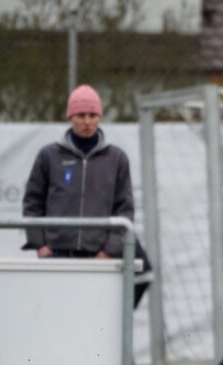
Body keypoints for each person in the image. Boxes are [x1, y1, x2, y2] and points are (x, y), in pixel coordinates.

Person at [22, 84, 151, 308]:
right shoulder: (48, 156)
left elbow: (125, 209)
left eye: (93, 115)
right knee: (59, 314)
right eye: (81, 115)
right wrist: (40, 245)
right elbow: (33, 203)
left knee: (96, 314)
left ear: (100, 117)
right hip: (57, 254)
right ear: (70, 117)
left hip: (100, 256)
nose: (87, 121)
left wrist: (109, 250)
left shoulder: (117, 158)